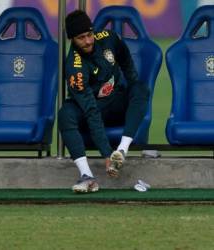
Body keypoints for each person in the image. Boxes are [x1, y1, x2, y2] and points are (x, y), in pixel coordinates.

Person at [58, 10, 149, 193]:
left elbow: (125, 58)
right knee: (65, 114)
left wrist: (132, 82)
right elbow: (91, 111)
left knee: (140, 88)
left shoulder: (109, 37)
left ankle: (122, 151)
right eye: (81, 38)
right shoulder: (75, 68)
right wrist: (106, 153)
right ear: (72, 40)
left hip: (115, 102)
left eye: (89, 34)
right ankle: (87, 176)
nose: (88, 41)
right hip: (91, 109)